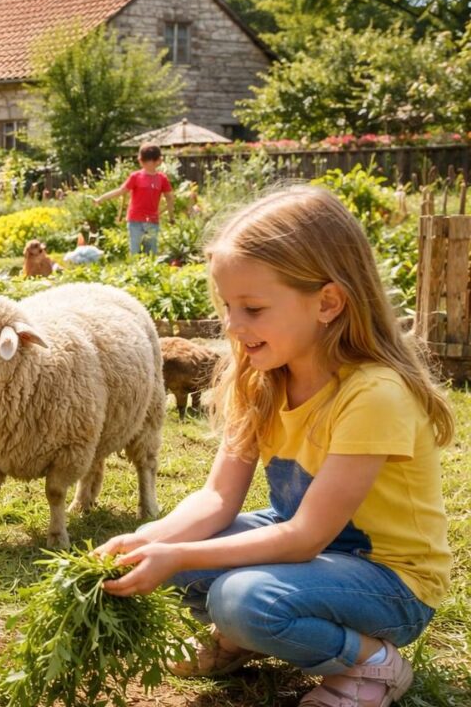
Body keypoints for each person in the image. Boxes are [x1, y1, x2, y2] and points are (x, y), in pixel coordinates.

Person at [96, 186, 454, 707]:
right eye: (227, 307)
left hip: (390, 583)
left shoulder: (374, 393)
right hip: (310, 554)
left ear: (327, 302)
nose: (235, 328)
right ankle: (240, 636)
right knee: (164, 554)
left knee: (240, 598)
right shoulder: (262, 379)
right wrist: (149, 542)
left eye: (254, 309)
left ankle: (371, 663)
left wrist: (175, 554)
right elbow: (218, 499)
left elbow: (306, 535)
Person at [94, 143, 174, 256]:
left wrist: (171, 217)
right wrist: (100, 199)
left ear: (158, 161)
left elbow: (170, 198)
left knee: (151, 251)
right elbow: (121, 191)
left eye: (147, 161)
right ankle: (134, 271)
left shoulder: (162, 179)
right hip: (135, 220)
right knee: (134, 250)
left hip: (152, 221)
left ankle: (150, 272)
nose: (143, 163)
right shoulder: (135, 177)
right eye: (142, 160)